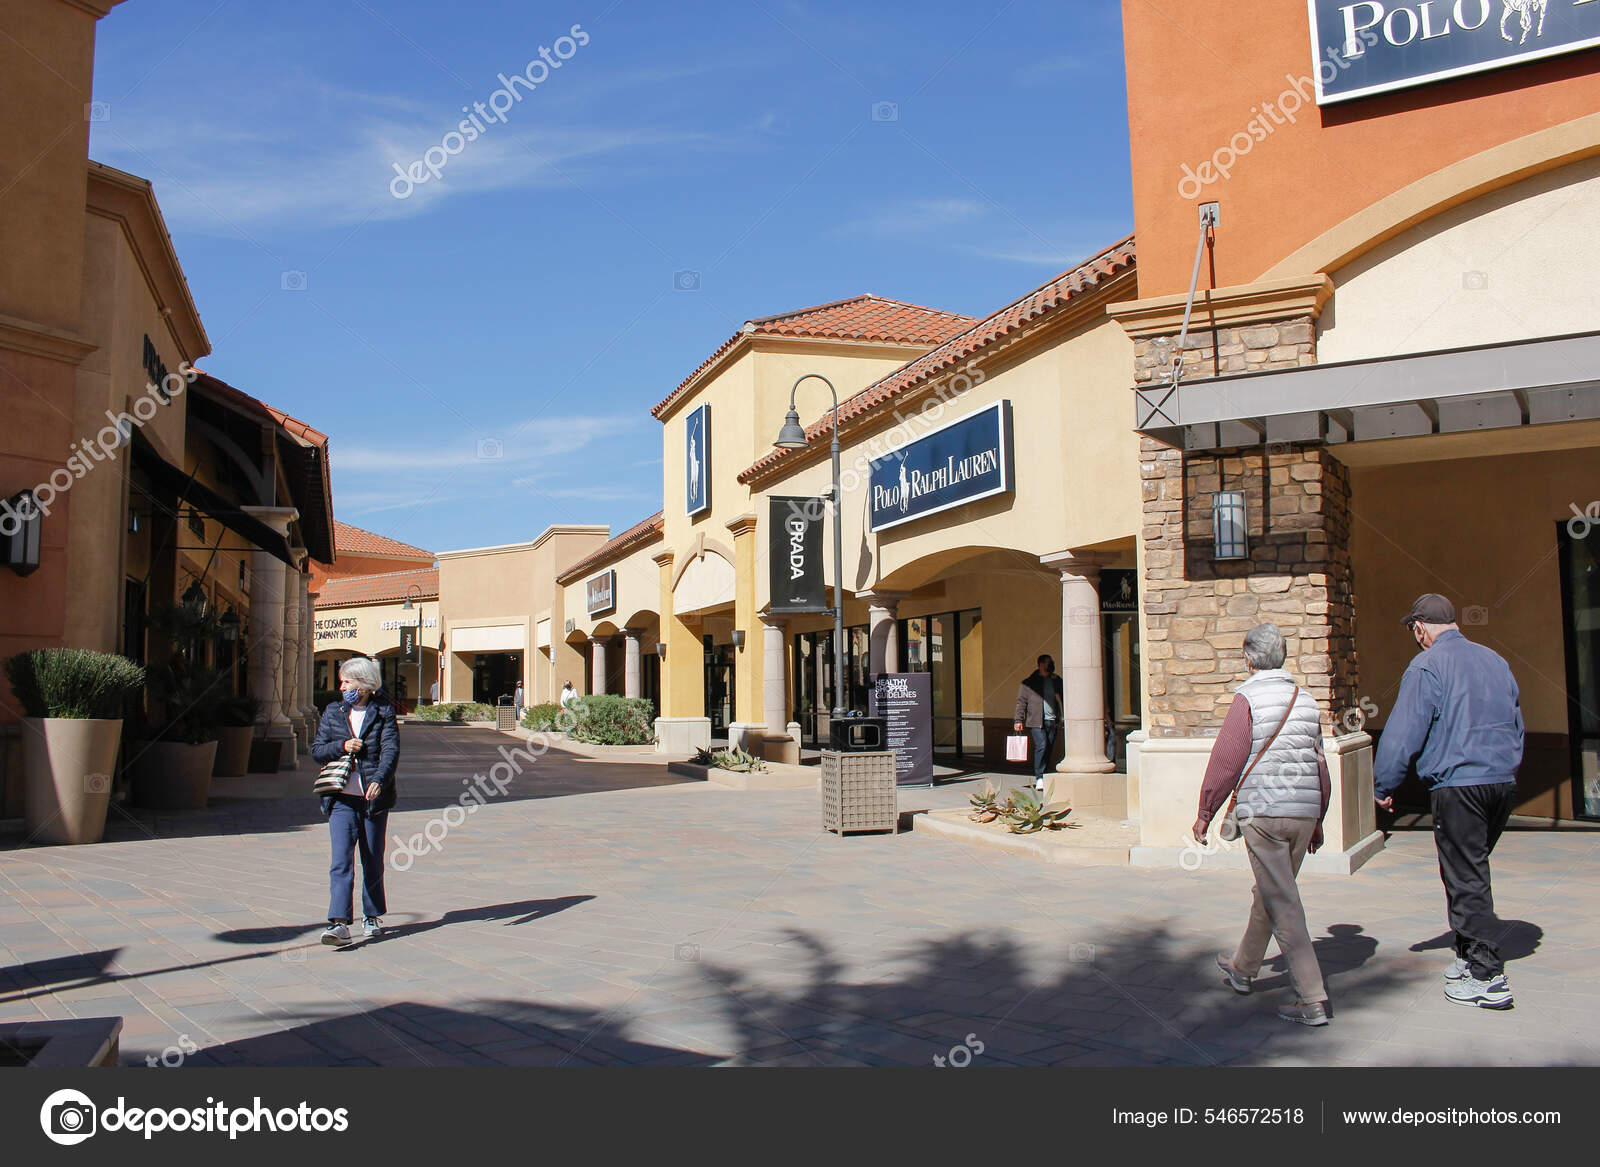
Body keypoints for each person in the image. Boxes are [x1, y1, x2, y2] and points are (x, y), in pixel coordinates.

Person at [1374, 593, 1523, 1010]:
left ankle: (1487, 976)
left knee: (1466, 876)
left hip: (1459, 786)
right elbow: (1516, 722)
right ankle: (1466, 953)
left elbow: (1404, 732)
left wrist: (1383, 784)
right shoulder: (1495, 660)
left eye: (1413, 631)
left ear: (1420, 628)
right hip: (1501, 781)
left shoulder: (1426, 665)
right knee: (1468, 869)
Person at [1194, 623, 1334, 1027]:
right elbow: (1320, 763)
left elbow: (1227, 758)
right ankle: (1242, 968)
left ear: (1249, 658)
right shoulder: (1306, 700)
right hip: (1303, 812)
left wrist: (1206, 811)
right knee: (1272, 892)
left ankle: (1311, 998)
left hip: (1265, 814)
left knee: (1283, 903)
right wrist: (1319, 817)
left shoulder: (1247, 697)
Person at [311, 657, 399, 947]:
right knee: (340, 861)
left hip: (373, 798)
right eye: (342, 681)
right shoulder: (333, 712)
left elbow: (390, 749)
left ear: (363, 684)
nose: (342, 687)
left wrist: (379, 780)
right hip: (340, 799)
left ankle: (371, 915)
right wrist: (342, 746)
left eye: (347, 681)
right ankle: (338, 923)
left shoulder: (383, 711)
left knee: (372, 858)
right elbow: (318, 751)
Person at [1013, 654, 1062, 793]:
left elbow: (1063, 696)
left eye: (1051, 662)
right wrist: (1018, 720)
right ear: (1040, 664)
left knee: (1049, 747)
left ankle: (1045, 774)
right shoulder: (1029, 683)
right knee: (1042, 745)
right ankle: (1039, 776)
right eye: (1048, 663)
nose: (1051, 665)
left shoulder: (1056, 680)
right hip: (1036, 721)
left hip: (1052, 720)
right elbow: (1021, 702)